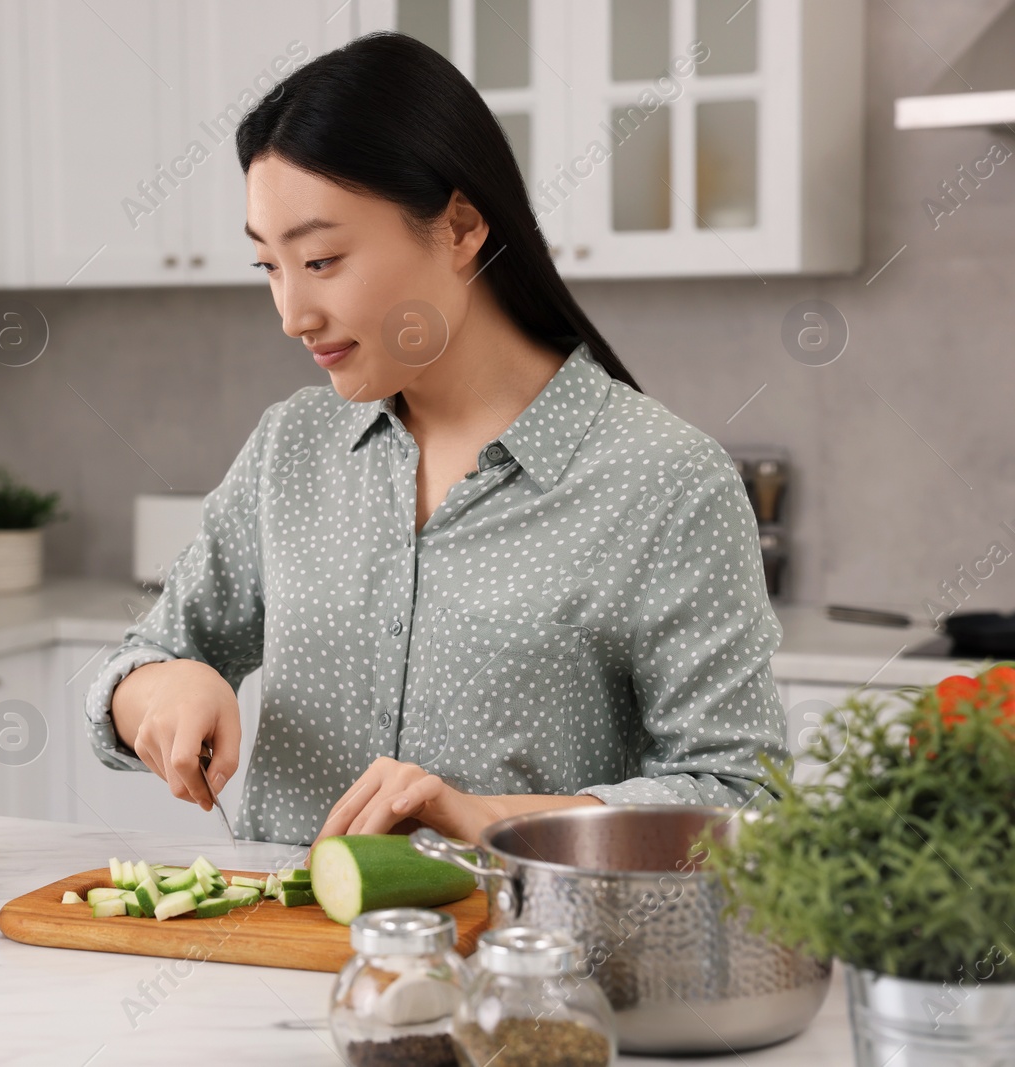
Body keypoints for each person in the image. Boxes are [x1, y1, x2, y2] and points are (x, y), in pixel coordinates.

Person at [84, 32, 787, 847]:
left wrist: (493, 819)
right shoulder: (292, 449)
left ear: (458, 227)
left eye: (321, 259)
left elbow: (744, 798)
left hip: (521, 962)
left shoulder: (665, 478)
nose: (291, 315)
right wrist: (163, 690)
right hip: (279, 957)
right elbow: (148, 655)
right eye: (269, 268)